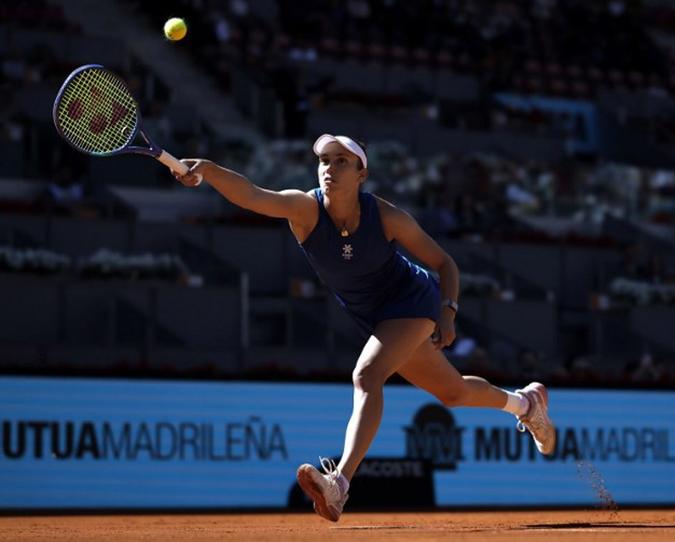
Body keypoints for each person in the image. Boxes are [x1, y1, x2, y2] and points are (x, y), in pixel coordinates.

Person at [172, 134, 556, 522]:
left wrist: (448, 311)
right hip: (374, 317)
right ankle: (526, 404)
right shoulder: (305, 210)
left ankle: (339, 483)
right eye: (324, 161)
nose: (329, 168)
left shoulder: (387, 216)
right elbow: (253, 195)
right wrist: (207, 169)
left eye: (341, 161)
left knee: (367, 375)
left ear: (362, 174)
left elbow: (446, 264)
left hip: (413, 300)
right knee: (453, 393)